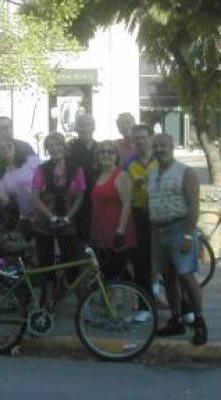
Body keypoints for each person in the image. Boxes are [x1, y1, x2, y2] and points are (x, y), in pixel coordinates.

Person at [148, 134, 207, 345]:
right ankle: (176, 319)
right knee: (169, 277)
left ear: (171, 147)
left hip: (179, 227)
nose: (159, 149)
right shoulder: (152, 173)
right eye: (155, 146)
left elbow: (194, 206)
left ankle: (199, 321)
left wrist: (189, 234)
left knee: (186, 275)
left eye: (163, 145)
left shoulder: (185, 172)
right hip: (158, 230)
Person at [32, 133, 86, 303]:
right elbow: (35, 197)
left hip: (68, 221)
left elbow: (80, 196)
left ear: (64, 146)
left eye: (58, 144)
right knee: (46, 263)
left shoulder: (76, 169)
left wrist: (68, 217)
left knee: (72, 262)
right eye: (50, 146)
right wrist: (52, 217)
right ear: (47, 150)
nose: (55, 148)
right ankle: (47, 301)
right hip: (44, 222)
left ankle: (82, 303)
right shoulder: (42, 169)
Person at [125, 124, 157, 320]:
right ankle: (145, 307)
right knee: (141, 262)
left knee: (167, 263)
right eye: (136, 139)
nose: (140, 141)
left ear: (150, 138)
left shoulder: (160, 159)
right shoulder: (128, 163)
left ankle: (184, 309)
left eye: (143, 137)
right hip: (139, 215)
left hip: (160, 214)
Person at [91, 140, 135, 281]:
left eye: (111, 152)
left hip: (117, 233)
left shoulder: (121, 176)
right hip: (101, 233)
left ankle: (128, 302)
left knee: (120, 275)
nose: (106, 155)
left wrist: (120, 231)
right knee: (106, 274)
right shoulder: (97, 175)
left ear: (117, 156)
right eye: (102, 152)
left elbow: (127, 204)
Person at [0, 138, 40, 238]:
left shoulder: (31, 161)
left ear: (15, 148)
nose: (6, 149)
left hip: (43, 213)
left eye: (9, 146)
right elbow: (5, 201)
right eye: (2, 149)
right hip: (26, 220)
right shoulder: (4, 178)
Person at [0, 116, 35, 223]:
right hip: (3, 208)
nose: (2, 131)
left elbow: (38, 175)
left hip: (27, 209)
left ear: (11, 128)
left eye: (5, 127)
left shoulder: (25, 148)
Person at [68, 114, 98, 242]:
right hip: (77, 200)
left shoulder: (101, 148)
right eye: (81, 125)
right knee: (80, 238)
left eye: (88, 124)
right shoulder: (69, 149)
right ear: (76, 127)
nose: (84, 128)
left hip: (98, 197)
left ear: (93, 127)